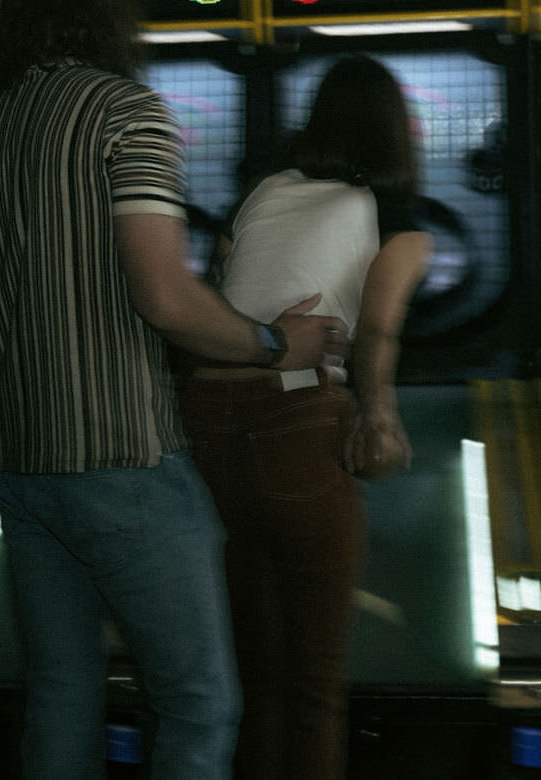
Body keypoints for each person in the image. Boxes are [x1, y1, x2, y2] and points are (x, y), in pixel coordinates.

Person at [0, 0, 349, 778]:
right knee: (198, 702)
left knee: (61, 690)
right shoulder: (125, 114)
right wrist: (279, 346)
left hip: (20, 460)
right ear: (114, 14)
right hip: (123, 455)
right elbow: (163, 296)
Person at [180, 55, 433, 780]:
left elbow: (220, 294)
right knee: (315, 687)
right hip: (295, 422)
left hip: (203, 426)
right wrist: (378, 413)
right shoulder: (398, 222)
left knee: (253, 682)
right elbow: (378, 332)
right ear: (397, 133)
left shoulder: (261, 193)